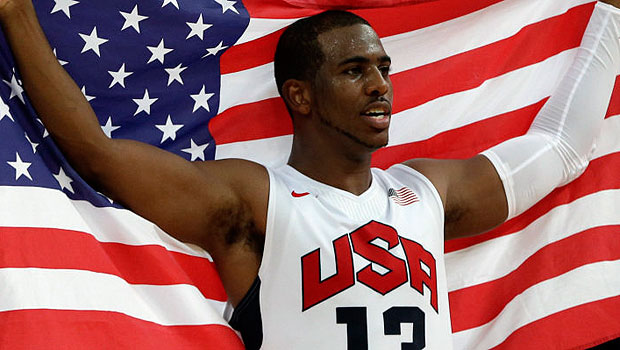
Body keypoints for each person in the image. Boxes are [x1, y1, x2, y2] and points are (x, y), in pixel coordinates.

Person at [0, 0, 618, 348]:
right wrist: (17, 15)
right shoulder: (254, 199)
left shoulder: (428, 192)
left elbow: (561, 148)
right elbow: (96, 155)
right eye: (354, 71)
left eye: (383, 67)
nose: (380, 86)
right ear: (300, 95)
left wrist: (611, 16)